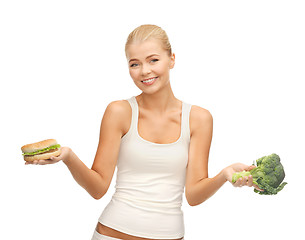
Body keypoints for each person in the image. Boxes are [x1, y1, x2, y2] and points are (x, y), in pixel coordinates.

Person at [26, 24, 261, 240]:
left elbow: (194, 196)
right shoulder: (119, 111)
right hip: (113, 233)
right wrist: (67, 156)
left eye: (153, 60)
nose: (144, 71)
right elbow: (98, 189)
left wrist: (223, 175)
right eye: (134, 63)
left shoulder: (199, 119)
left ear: (172, 59)